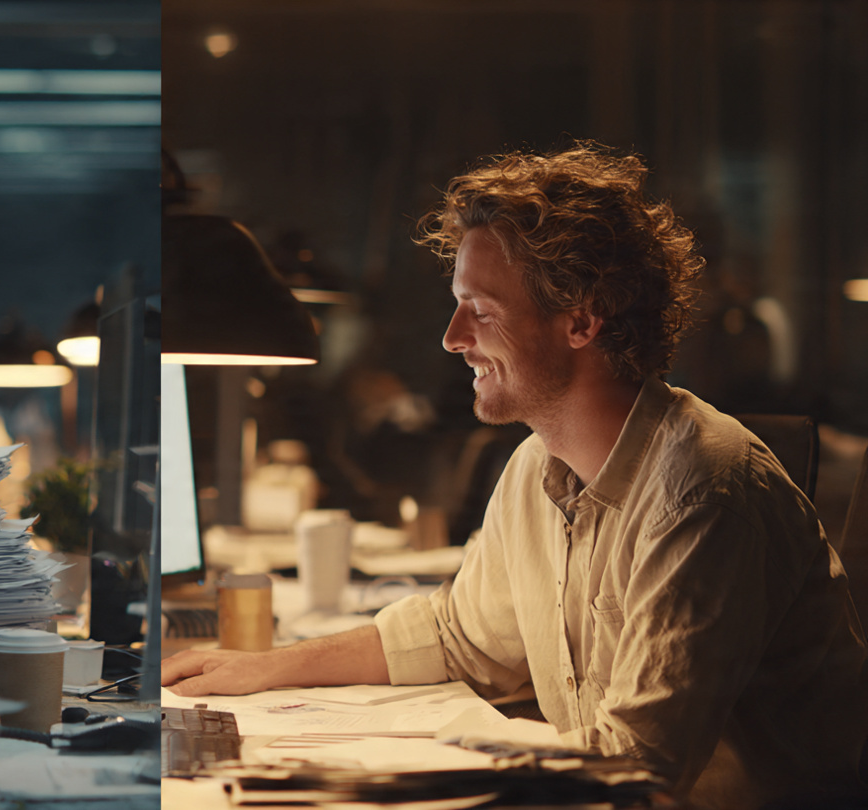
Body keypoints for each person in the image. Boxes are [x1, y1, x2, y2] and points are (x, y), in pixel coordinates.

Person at [162, 142, 868, 808]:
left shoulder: (703, 493)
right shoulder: (540, 464)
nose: (452, 337)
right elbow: (458, 635)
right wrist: (267, 666)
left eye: (482, 311)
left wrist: (376, 781)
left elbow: (635, 768)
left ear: (582, 320)